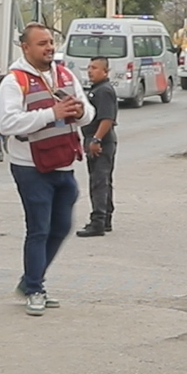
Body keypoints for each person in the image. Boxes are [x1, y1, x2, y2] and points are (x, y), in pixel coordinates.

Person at [0, 24, 93, 315]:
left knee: (62, 226)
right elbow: (7, 123)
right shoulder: (14, 82)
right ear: (25, 47)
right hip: (30, 167)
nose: (49, 48)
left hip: (63, 164)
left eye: (51, 42)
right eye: (41, 44)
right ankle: (35, 288)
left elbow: (89, 113)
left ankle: (29, 280)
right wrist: (52, 113)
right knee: (38, 228)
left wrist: (80, 112)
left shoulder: (65, 74)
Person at [76, 55, 118, 238]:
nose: (90, 71)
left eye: (94, 67)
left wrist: (96, 140)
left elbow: (107, 118)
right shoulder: (97, 89)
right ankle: (105, 218)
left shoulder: (104, 91)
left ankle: (98, 222)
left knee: (99, 182)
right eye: (89, 67)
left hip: (101, 142)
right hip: (96, 139)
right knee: (103, 181)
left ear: (105, 71)